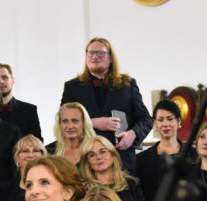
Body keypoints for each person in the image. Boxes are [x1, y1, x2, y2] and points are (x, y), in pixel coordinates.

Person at [60, 38, 152, 171]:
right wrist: (94, 123)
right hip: (84, 158)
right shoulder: (72, 87)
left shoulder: (128, 84)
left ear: (110, 58)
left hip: (120, 158)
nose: (95, 56)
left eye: (100, 53)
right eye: (90, 53)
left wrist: (132, 134)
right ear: (86, 58)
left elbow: (146, 119)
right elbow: (62, 122)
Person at [78, 136, 149, 201]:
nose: (98, 157)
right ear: (87, 163)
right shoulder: (82, 190)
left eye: (102, 151)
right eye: (92, 155)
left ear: (112, 154)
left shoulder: (132, 183)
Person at [135, 99, 183, 201]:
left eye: (170, 119)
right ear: (155, 123)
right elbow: (140, 198)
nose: (165, 124)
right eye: (160, 120)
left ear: (179, 121)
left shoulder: (194, 155)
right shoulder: (141, 160)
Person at [4, 135, 48, 201]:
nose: (31, 155)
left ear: (43, 155)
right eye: (25, 151)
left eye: (36, 150)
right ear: (17, 156)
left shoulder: (53, 183)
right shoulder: (7, 187)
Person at [0, 63, 42, 139]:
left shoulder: (29, 110)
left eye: (4, 77)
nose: (0, 81)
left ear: (13, 80)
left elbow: (37, 143)